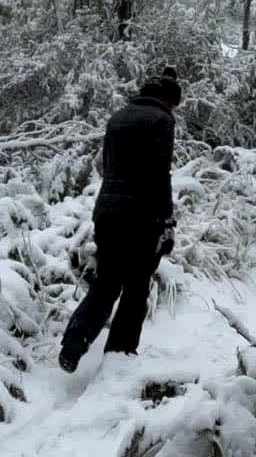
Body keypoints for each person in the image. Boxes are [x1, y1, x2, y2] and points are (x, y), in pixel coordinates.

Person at [59, 66, 181, 373]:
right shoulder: (162, 121)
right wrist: (166, 219)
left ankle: (73, 343)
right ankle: (119, 356)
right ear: (169, 100)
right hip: (142, 216)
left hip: (108, 213)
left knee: (107, 282)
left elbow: (107, 166)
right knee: (137, 286)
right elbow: (158, 173)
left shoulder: (118, 117)